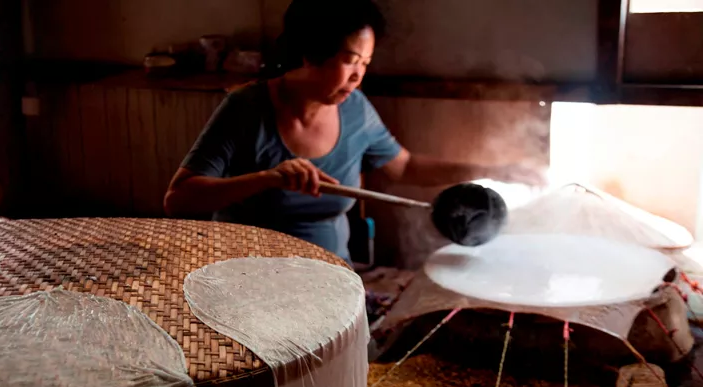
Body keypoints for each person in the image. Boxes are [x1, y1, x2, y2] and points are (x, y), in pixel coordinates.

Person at [164, 0, 543, 264]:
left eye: (365, 62)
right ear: (310, 53)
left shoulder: (356, 108)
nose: (358, 75)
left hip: (332, 275)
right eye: (349, 61)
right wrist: (268, 179)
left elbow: (404, 168)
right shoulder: (246, 108)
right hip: (247, 274)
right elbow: (178, 199)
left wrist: (495, 170)